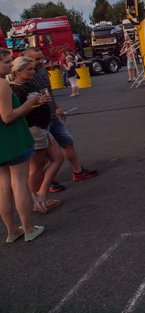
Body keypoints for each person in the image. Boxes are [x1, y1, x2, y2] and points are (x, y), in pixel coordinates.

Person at [22, 47, 98, 190]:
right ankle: (45, 183)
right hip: (38, 122)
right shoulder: (24, 77)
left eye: (41, 58)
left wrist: (57, 108)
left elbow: (49, 92)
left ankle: (78, 172)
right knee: (43, 156)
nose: (41, 61)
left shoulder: (43, 71)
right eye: (36, 59)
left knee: (68, 142)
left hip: (52, 116)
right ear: (27, 61)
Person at [0, 48, 45, 242]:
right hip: (11, 139)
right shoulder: (2, 84)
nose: (11, 64)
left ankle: (12, 230)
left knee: (3, 187)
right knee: (18, 184)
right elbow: (7, 117)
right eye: (7, 62)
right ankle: (28, 228)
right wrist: (30, 102)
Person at [9, 56, 64, 213]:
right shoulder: (15, 89)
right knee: (36, 166)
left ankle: (41, 195)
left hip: (42, 127)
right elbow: (17, 114)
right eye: (29, 69)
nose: (33, 71)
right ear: (18, 71)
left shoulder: (27, 85)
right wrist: (35, 104)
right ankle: (37, 201)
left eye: (33, 68)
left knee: (58, 157)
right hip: (33, 129)